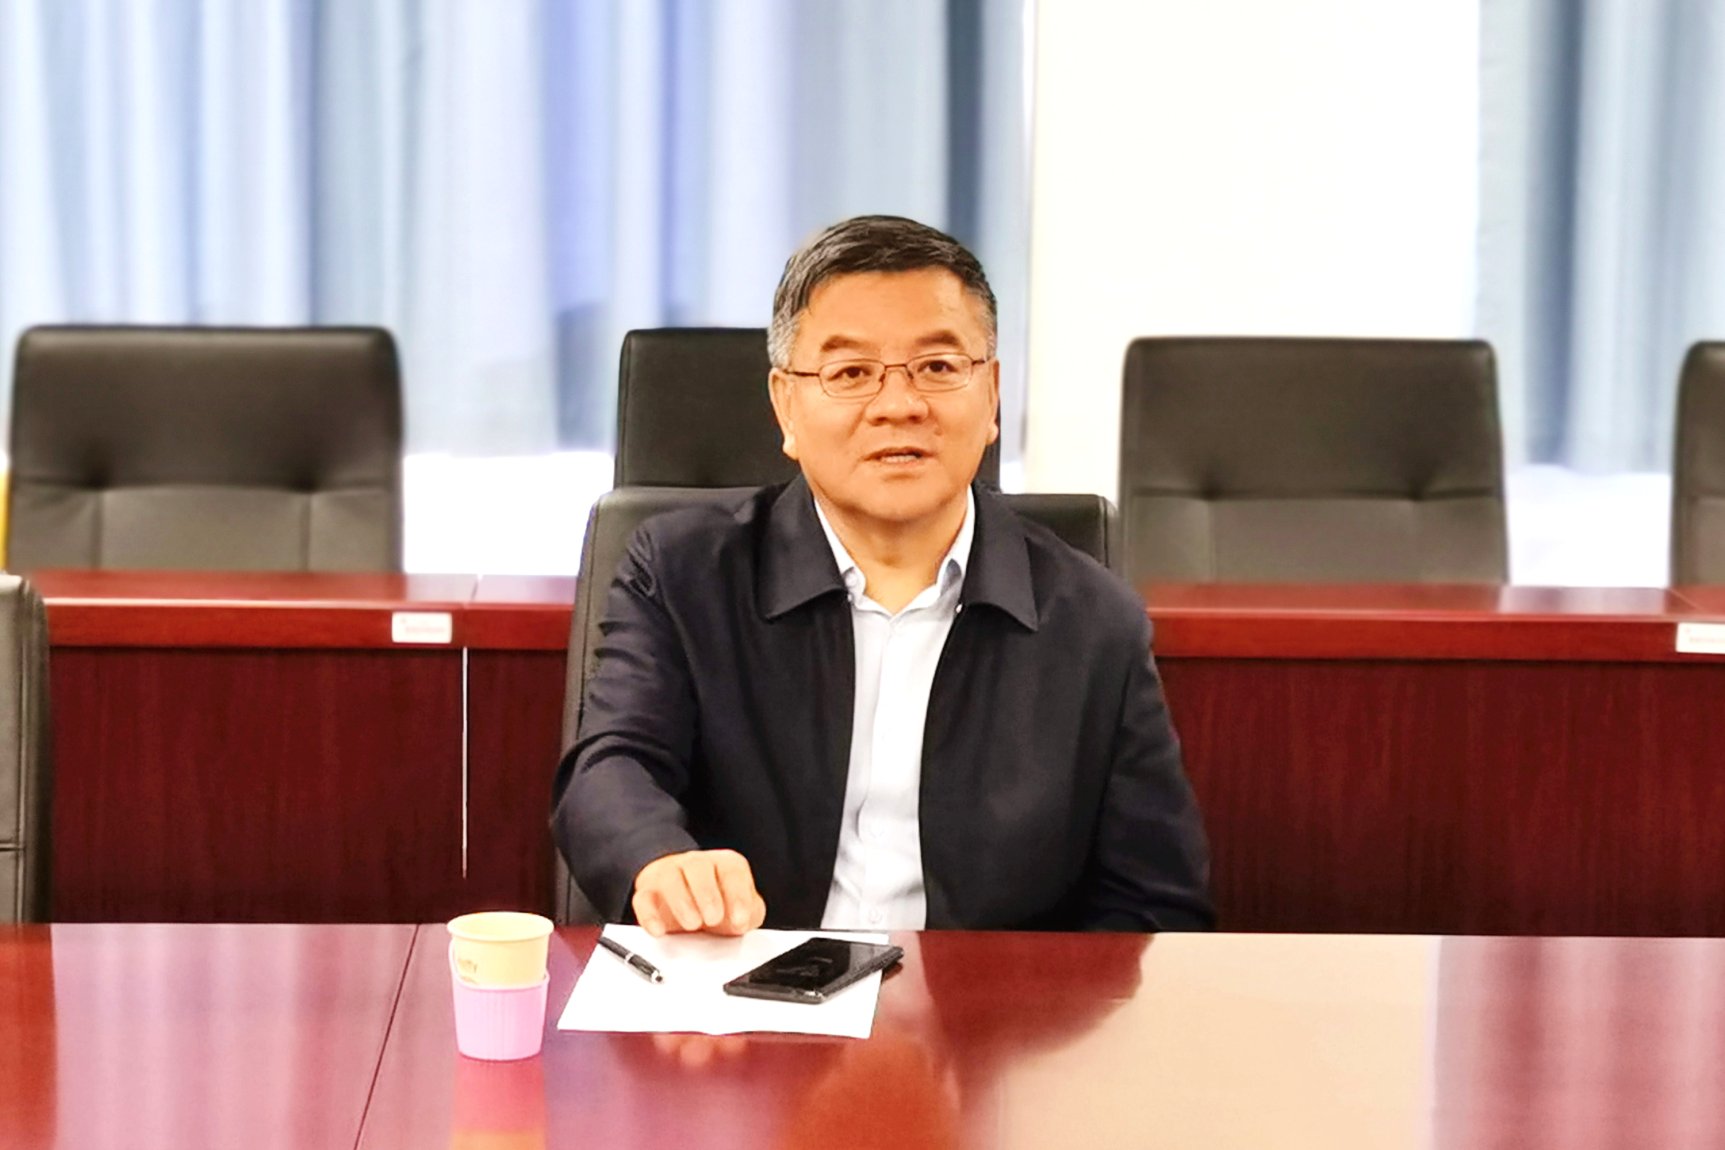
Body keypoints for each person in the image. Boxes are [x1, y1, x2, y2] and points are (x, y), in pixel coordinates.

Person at [552, 215, 1211, 936]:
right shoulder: (682, 573)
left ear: (991, 394)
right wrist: (659, 860)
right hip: (738, 988)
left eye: (938, 367)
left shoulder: (1093, 619)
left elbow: (1153, 906)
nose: (898, 405)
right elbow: (611, 769)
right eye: (850, 373)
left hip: (986, 1006)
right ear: (786, 405)